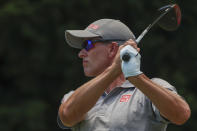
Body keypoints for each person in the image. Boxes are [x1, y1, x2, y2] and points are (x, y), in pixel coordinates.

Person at [57, 19, 190, 131]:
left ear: (112, 49)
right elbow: (67, 116)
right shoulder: (76, 96)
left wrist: (136, 77)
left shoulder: (150, 89)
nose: (81, 54)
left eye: (87, 44)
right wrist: (114, 70)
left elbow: (181, 115)